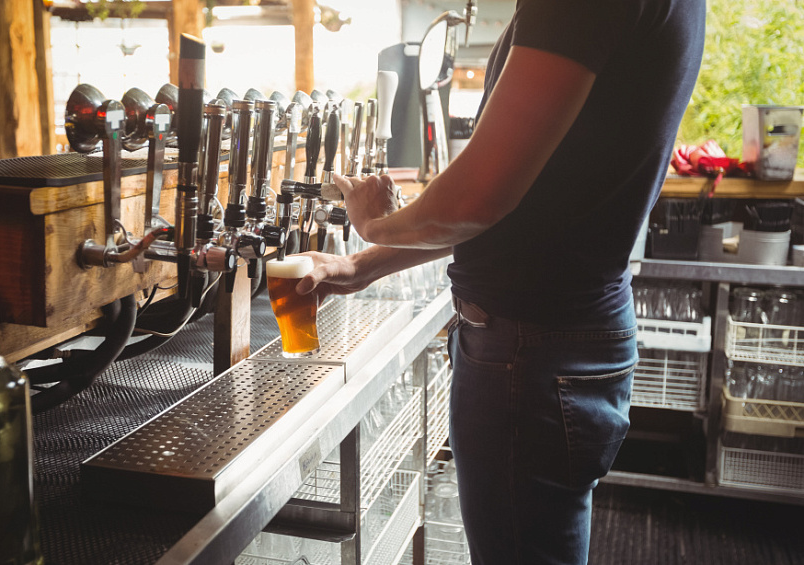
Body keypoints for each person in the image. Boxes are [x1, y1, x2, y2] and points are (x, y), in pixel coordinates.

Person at [295, 0, 705, 563]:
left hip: (530, 351)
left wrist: (371, 224)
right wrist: (364, 263)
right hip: (563, 336)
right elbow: (520, 204)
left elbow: (479, 198)